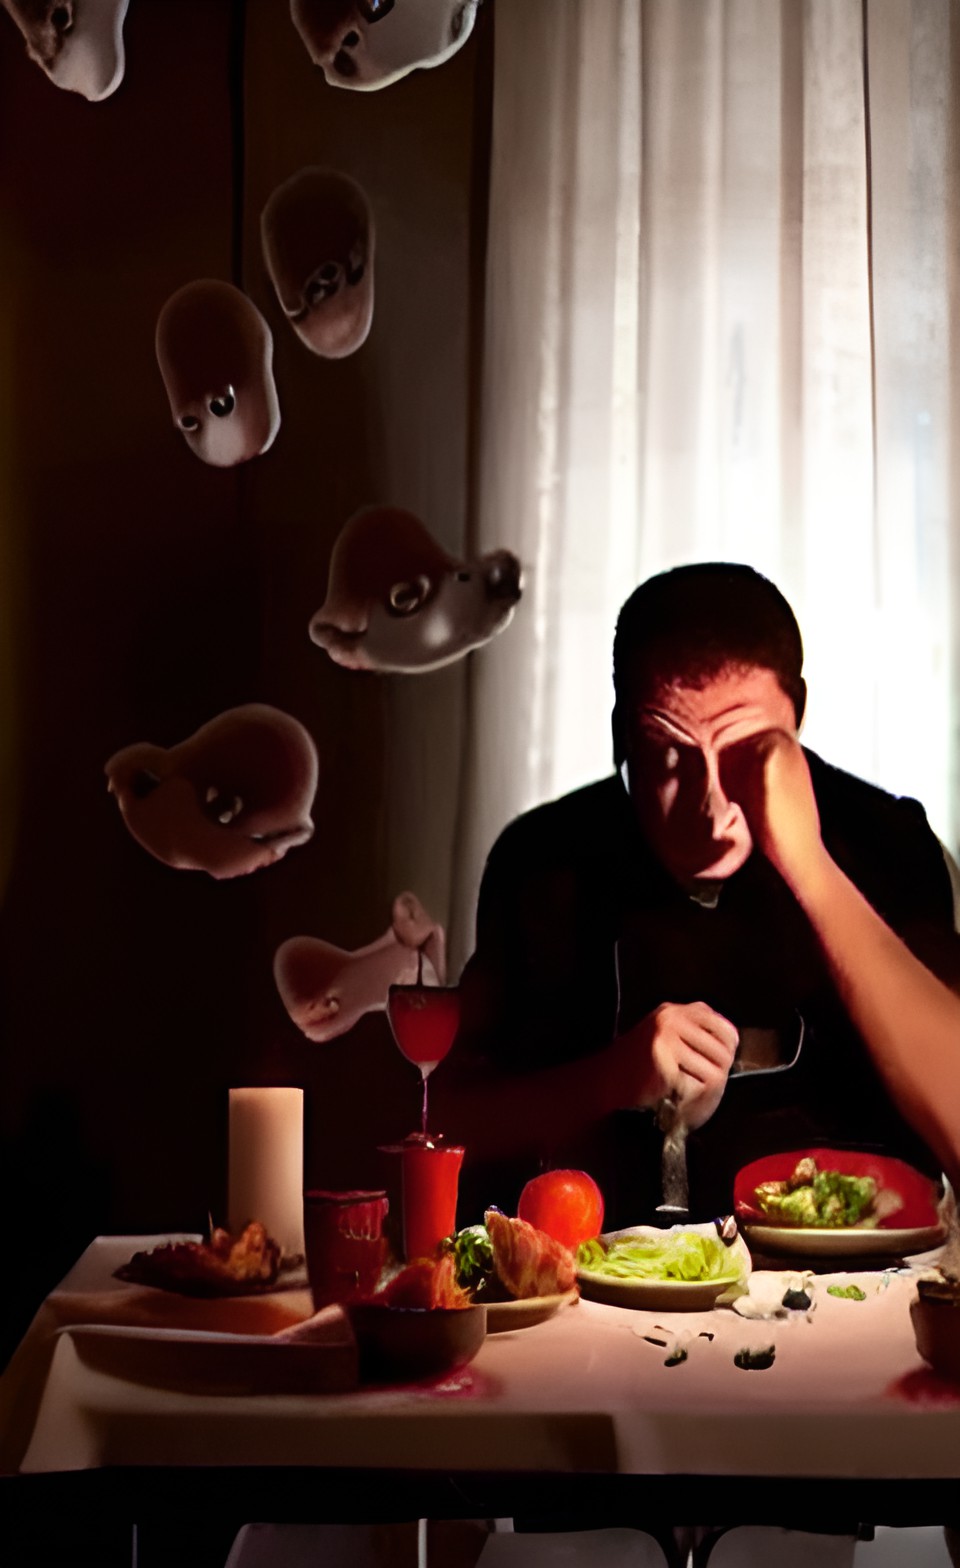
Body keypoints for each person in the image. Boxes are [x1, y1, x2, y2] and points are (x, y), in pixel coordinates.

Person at [438, 563, 960, 1227]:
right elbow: (445, 1122)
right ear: (621, 733)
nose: (711, 808)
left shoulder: (887, 844)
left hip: (868, 1299)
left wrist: (808, 861)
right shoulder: (545, 861)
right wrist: (608, 1081)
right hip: (607, 1299)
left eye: (746, 753)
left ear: (796, 714)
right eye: (668, 756)